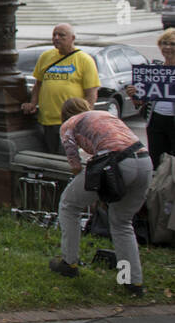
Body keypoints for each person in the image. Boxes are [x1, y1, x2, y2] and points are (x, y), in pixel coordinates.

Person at [50, 97, 147, 296]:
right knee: (122, 222)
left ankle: (69, 262)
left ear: (64, 114)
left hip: (116, 163)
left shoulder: (69, 124)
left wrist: (88, 187)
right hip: (144, 161)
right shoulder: (106, 115)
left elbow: (75, 165)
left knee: (69, 205)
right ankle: (133, 282)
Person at [21, 23, 99, 155]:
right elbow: (38, 84)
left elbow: (91, 93)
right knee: (51, 158)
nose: (56, 38)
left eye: (61, 35)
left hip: (70, 123)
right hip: (47, 121)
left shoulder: (84, 60)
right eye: (54, 35)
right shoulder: (46, 56)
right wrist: (33, 103)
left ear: (72, 38)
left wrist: (85, 119)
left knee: (67, 160)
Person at [125, 27, 175, 168]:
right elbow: (140, 102)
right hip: (155, 120)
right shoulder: (152, 70)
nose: (167, 47)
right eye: (164, 43)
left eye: (172, 44)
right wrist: (134, 93)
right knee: (156, 159)